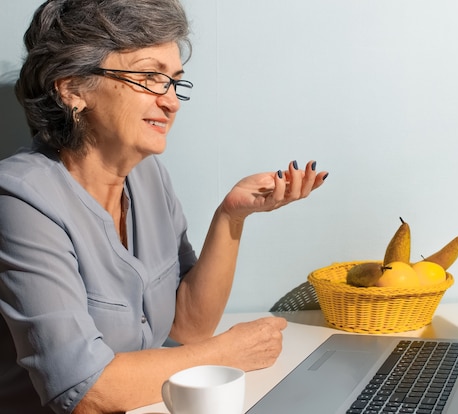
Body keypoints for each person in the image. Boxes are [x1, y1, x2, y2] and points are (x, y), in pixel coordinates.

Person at [0, 0, 328, 413]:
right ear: (72, 89)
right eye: (150, 77)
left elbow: (189, 327)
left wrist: (231, 215)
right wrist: (225, 354)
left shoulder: (148, 176)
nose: (171, 101)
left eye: (174, 81)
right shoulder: (20, 200)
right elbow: (85, 391)